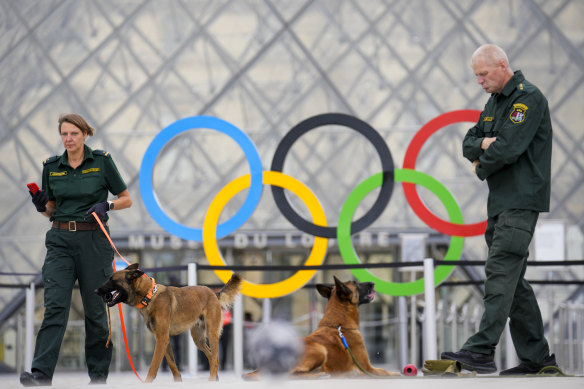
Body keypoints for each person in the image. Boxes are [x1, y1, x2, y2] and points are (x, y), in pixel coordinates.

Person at [440, 44, 557, 375]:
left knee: (500, 271)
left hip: (520, 202)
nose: (479, 81)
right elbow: (467, 141)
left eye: (483, 74)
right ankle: (537, 360)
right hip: (501, 202)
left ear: (502, 65)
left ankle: (481, 349)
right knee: (515, 284)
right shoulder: (495, 103)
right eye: (476, 76)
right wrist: (482, 144)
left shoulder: (527, 99)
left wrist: (480, 164)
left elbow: (509, 148)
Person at [20, 113, 132, 386]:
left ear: (84, 134)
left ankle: (98, 377)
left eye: (74, 133)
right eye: (64, 134)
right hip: (59, 241)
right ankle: (41, 374)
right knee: (55, 306)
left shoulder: (102, 162)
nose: (68, 139)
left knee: (96, 310)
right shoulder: (52, 166)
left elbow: (126, 199)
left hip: (94, 241)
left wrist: (107, 206)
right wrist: (40, 204)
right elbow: (52, 211)